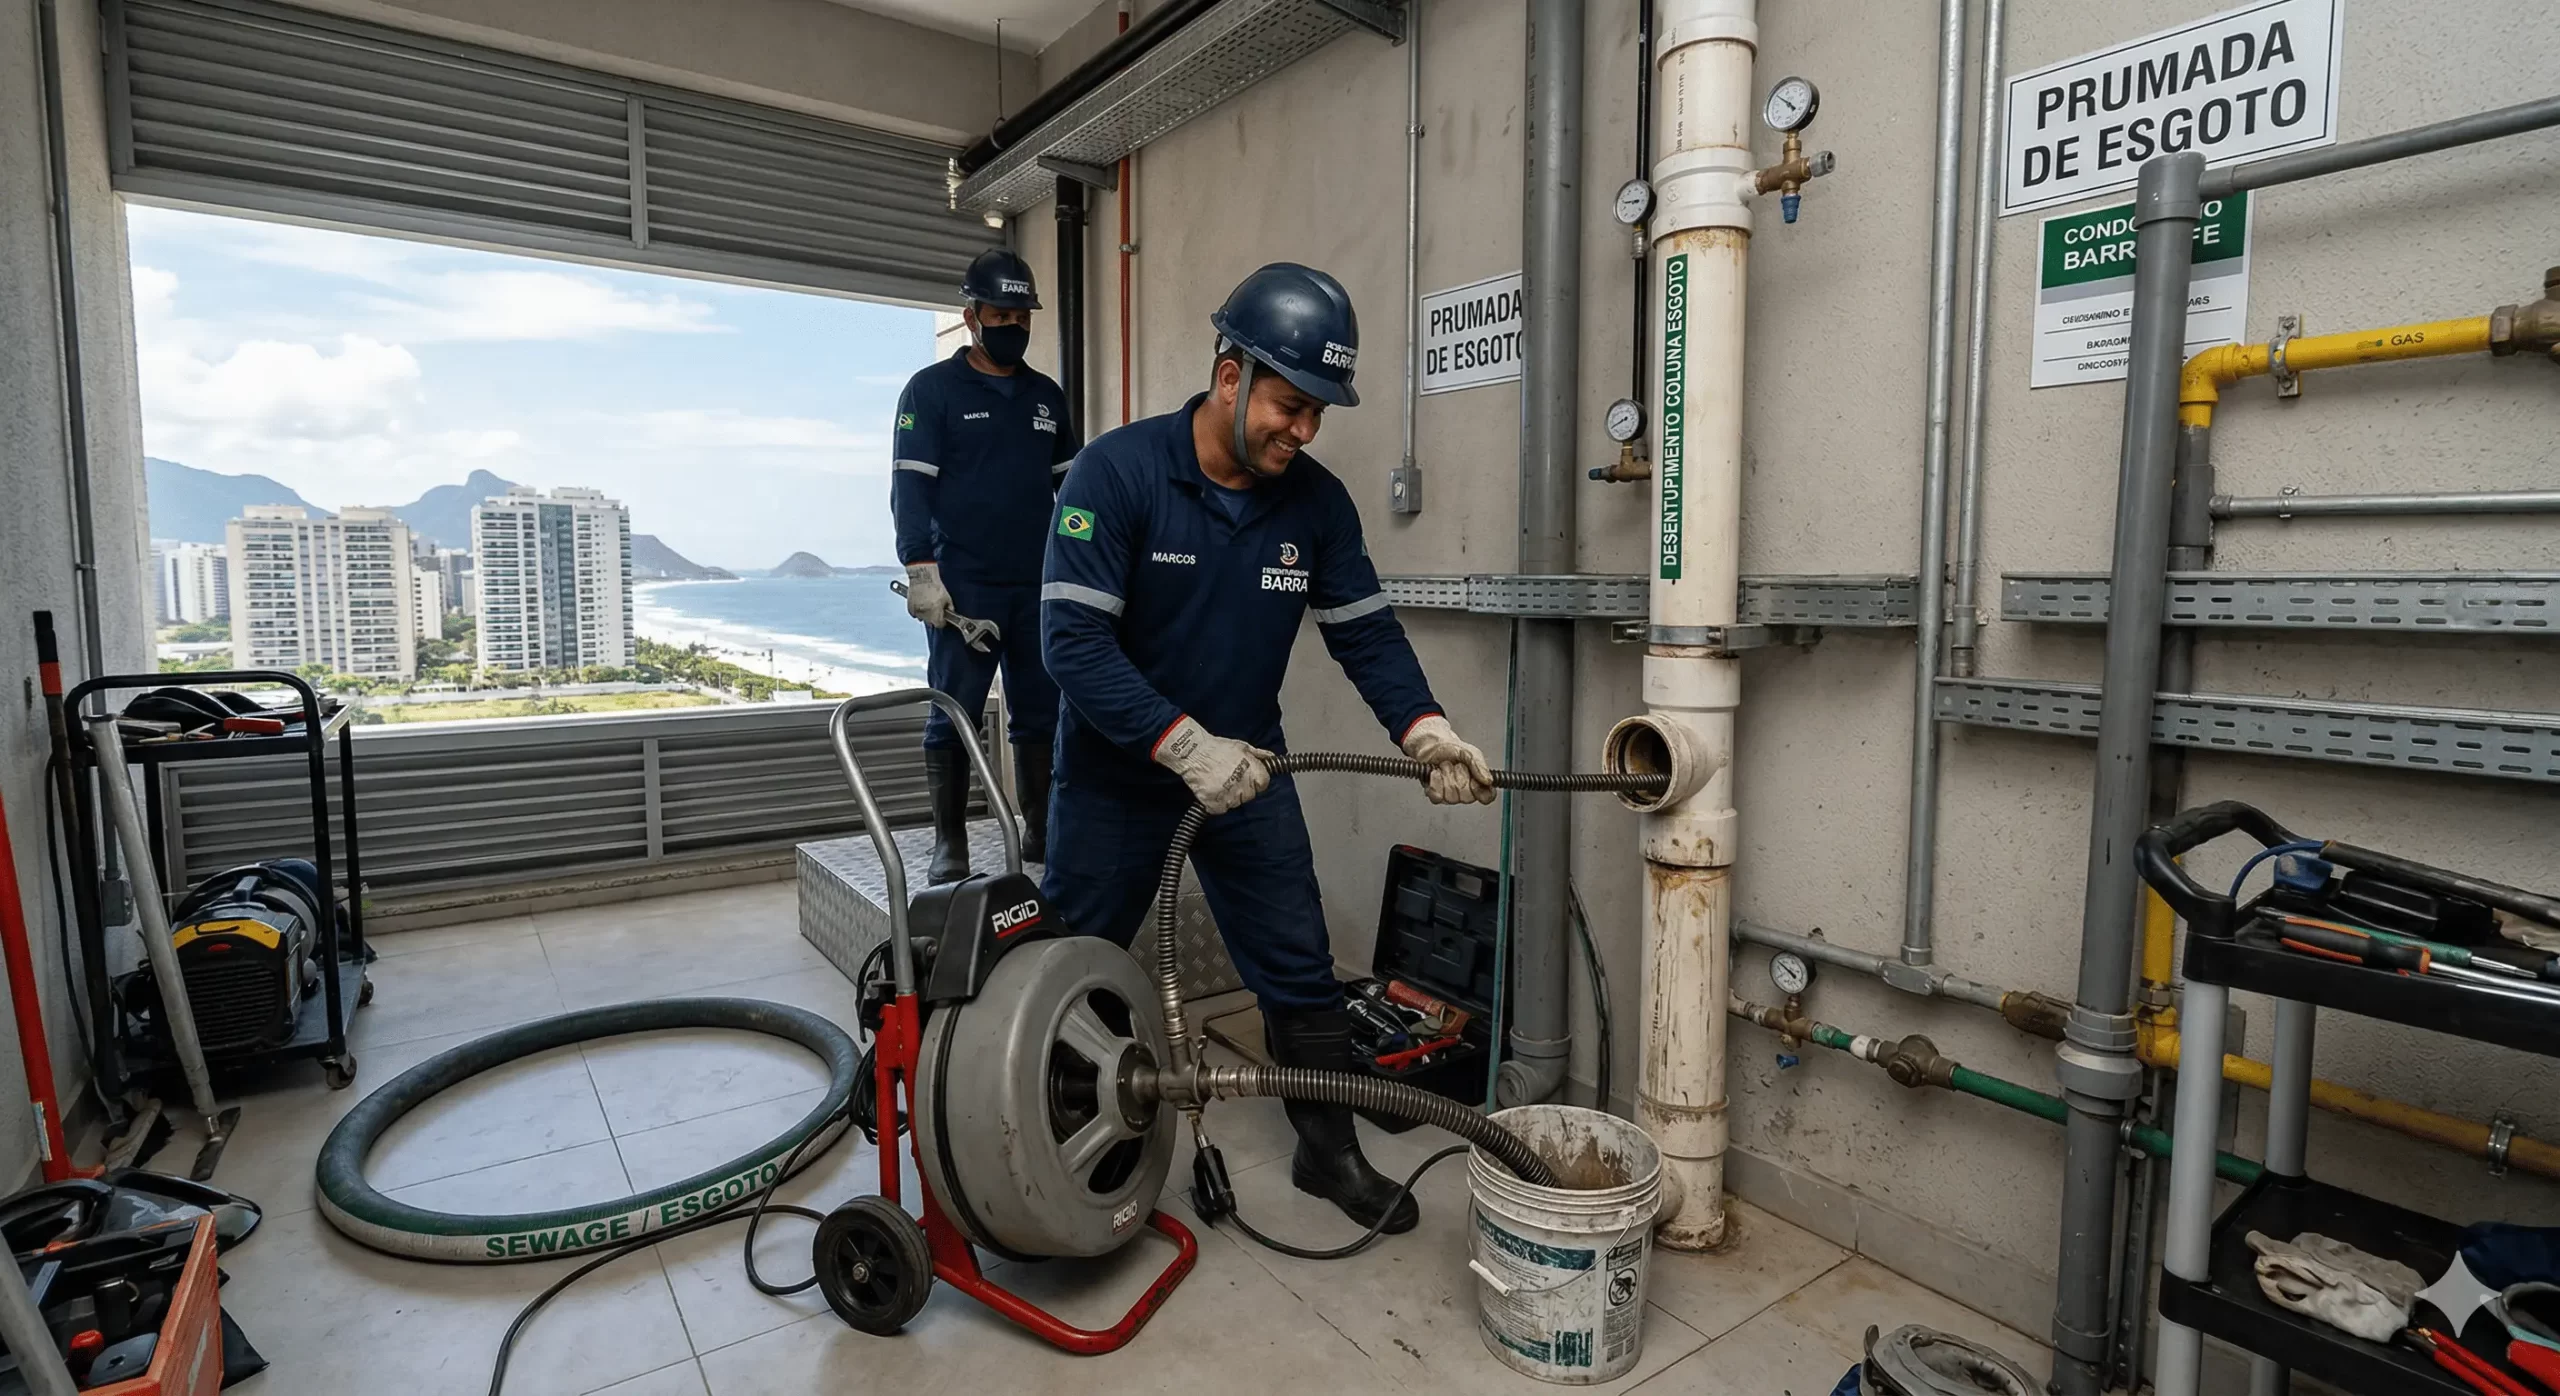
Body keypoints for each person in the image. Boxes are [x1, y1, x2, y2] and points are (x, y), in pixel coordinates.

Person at [1039, 262, 1498, 1234]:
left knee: (1297, 965)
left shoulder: (1316, 505)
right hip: (1120, 773)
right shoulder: (1115, 474)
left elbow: (1364, 632)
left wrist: (1424, 728)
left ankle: (1327, 1153)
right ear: (1227, 374)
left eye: (1318, 413)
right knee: (1069, 959)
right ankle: (1057, 1145)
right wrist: (1177, 741)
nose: (1303, 429)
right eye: (1290, 404)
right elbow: (1070, 644)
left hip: (1247, 770)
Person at [892, 248, 1080, 880]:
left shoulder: (1046, 398)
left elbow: (1072, 496)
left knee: (1041, 710)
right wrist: (921, 569)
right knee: (956, 707)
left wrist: (1086, 566)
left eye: (1021, 316)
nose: (1013, 327)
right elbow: (910, 486)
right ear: (971, 317)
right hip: (963, 585)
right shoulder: (931, 391)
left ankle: (1039, 829)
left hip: (1037, 582)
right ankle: (950, 842)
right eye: (1000, 315)